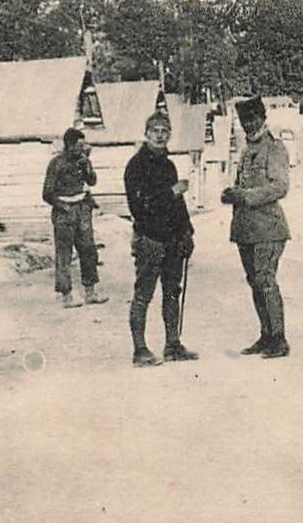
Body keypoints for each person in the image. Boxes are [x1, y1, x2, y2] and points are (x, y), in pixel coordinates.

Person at [123, 112, 197, 366]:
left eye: (165, 130)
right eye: (155, 130)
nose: (160, 135)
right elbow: (141, 207)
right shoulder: (136, 166)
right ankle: (140, 350)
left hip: (173, 240)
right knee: (144, 294)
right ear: (146, 133)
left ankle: (172, 345)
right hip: (150, 239)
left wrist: (187, 231)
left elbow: (179, 205)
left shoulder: (168, 165)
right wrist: (172, 191)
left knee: (172, 293)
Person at [220, 96, 292, 357]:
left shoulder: (275, 148)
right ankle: (266, 335)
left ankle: (280, 339)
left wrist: (246, 196)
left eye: (253, 119)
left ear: (263, 118)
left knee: (266, 280)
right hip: (246, 229)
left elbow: (280, 186)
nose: (249, 124)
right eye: (244, 121)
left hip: (269, 228)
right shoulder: (247, 150)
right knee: (254, 282)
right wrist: (232, 193)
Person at [42, 127, 109, 308]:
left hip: (82, 209)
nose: (82, 148)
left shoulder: (83, 161)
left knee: (88, 250)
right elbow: (47, 193)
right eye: (79, 145)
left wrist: (87, 165)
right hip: (64, 213)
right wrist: (63, 207)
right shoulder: (56, 164)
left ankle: (90, 292)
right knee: (64, 254)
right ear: (69, 145)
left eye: (83, 145)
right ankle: (67, 295)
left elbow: (92, 181)